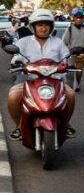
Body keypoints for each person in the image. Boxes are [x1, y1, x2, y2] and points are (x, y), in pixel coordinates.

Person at [7, 9, 76, 139]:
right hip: (29, 80)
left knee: (71, 95)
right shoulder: (24, 42)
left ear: (51, 27)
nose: (43, 28)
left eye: (46, 25)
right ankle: (19, 126)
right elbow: (16, 58)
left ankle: (66, 124)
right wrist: (17, 64)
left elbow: (66, 58)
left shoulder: (58, 42)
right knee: (13, 96)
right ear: (33, 27)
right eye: (40, 25)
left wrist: (68, 65)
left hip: (55, 80)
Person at [62, 8, 84, 91]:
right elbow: (64, 42)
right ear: (74, 18)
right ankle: (70, 87)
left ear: (83, 19)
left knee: (79, 70)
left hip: (82, 54)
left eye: (81, 17)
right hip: (71, 54)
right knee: (70, 71)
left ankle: (78, 84)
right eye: (77, 18)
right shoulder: (69, 29)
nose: (79, 19)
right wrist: (68, 52)